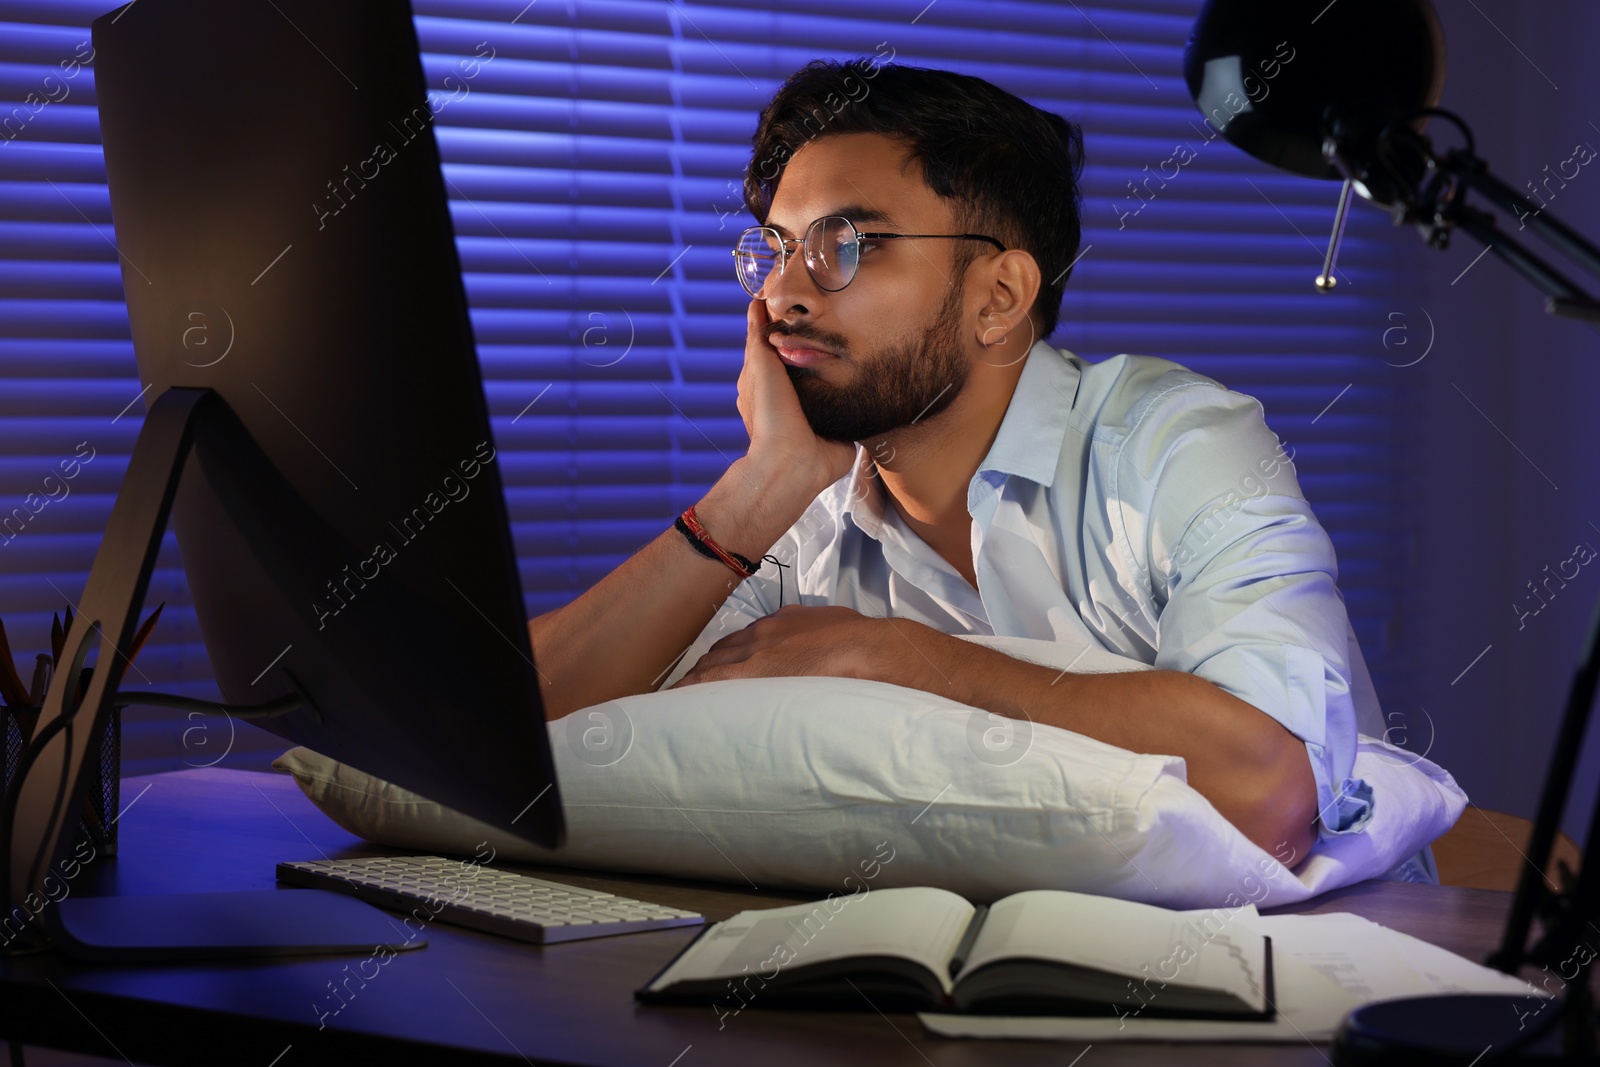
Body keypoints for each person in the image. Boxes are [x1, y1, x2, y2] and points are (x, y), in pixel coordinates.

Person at [527, 59, 1380, 864]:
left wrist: (894, 660)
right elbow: (508, 741)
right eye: (777, 249)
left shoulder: (1176, 449)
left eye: (844, 248)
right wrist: (752, 492)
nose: (780, 294)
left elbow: (1270, 789)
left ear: (999, 298)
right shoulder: (800, 516)